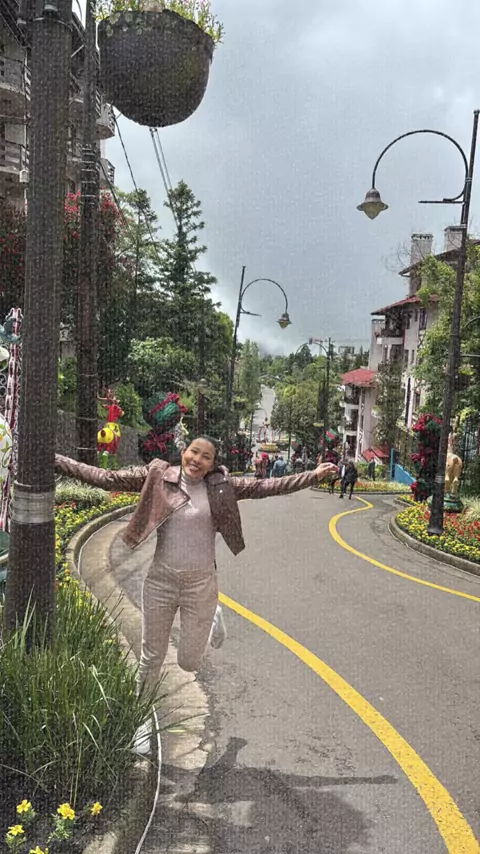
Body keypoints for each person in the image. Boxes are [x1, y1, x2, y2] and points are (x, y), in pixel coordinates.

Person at [55, 438, 337, 751]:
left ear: (213, 464)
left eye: (206, 457)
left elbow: (267, 486)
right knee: (151, 657)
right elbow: (107, 478)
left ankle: (213, 615)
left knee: (189, 663)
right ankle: (141, 720)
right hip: (160, 582)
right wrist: (55, 459)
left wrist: (313, 475)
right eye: (194, 452)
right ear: (183, 452)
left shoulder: (221, 487)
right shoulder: (159, 477)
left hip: (200, 585)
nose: (197, 460)